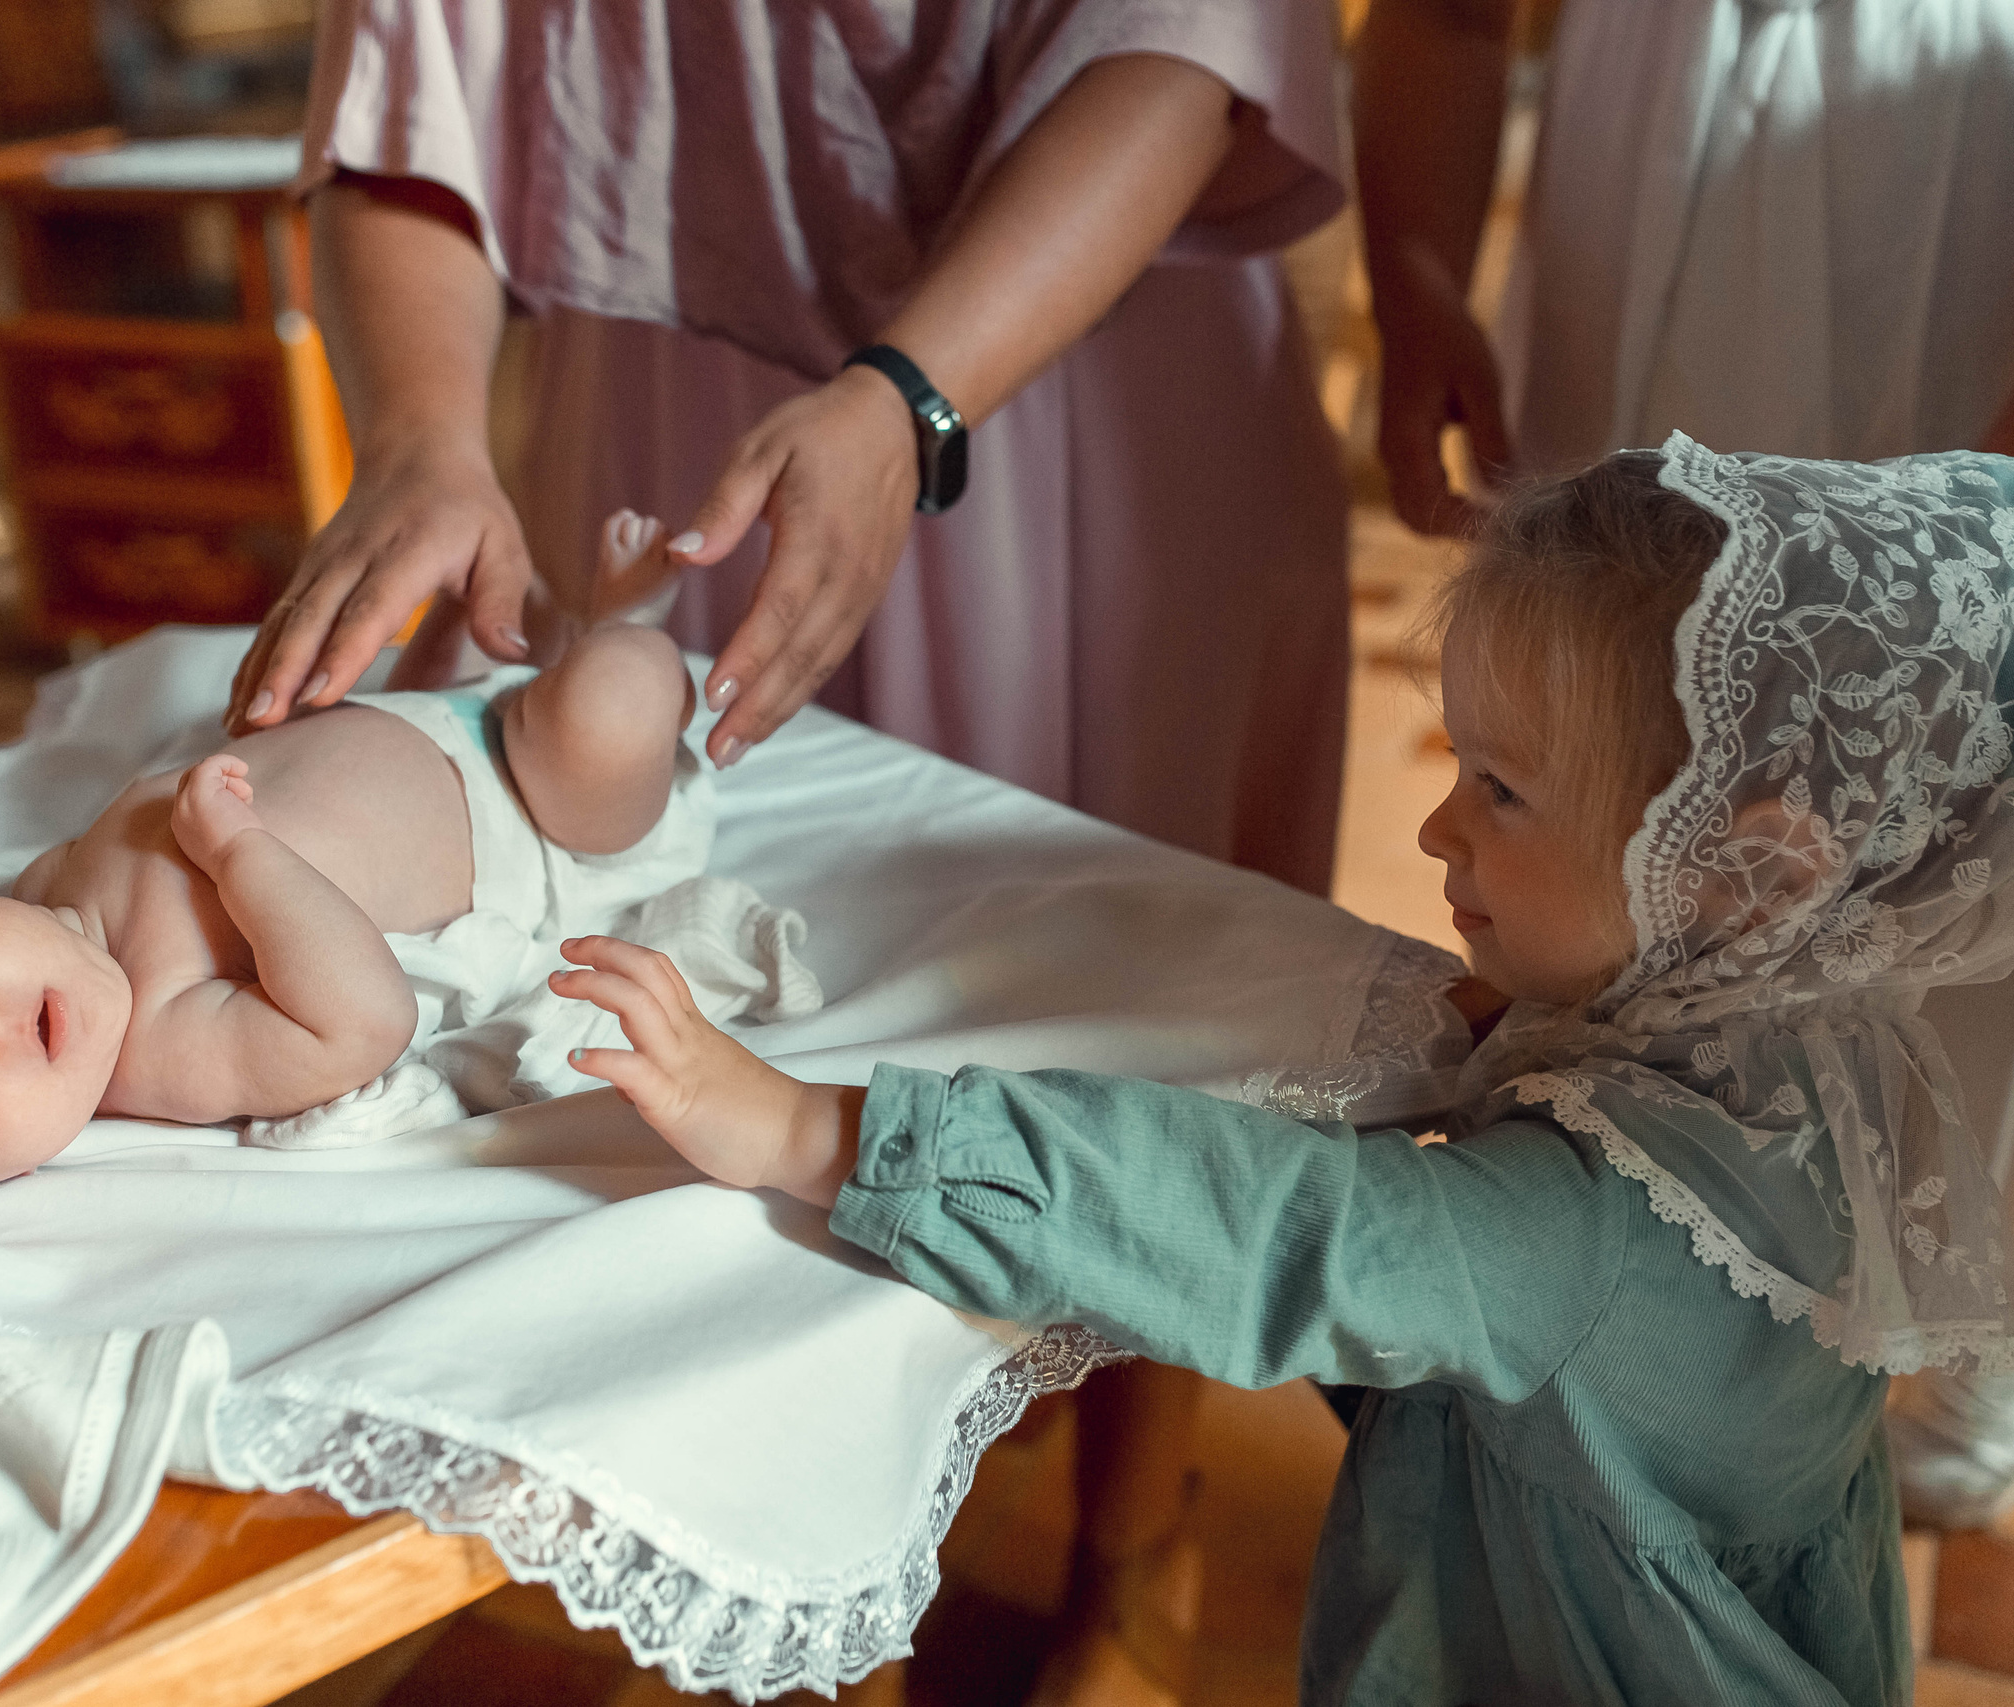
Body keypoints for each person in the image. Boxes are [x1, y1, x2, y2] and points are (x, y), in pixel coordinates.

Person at [552, 439, 2014, 1704]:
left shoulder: (1582, 1232)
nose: (1439, 831)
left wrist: (825, 1129)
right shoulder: (1822, 1033)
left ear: (1745, 874)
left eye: (1500, 788)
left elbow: (1282, 1228)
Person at [241, 11, 1355, 1700]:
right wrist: (417, 428)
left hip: (1083, 345)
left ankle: (1141, 1523)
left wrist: (914, 395)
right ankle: (765, 1555)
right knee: (678, 986)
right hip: (672, 383)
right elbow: (417, 78)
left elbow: (1184, 38)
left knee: (1120, 978)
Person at [1355, 0, 2014, 1527]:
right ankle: (1620, 1202)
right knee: (1624, 752)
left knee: (1969, 773)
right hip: (1659, 155)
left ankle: (1999, 1274)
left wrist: (1992, 532)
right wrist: (1420, 269)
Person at [0, 517, 708, 1212]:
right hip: (536, 819)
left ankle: (568, 637)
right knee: (608, 700)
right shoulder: (156, 1048)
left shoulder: (44, 889)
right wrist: (240, 854)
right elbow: (360, 1022)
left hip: (422, 714)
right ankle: (619, 630)